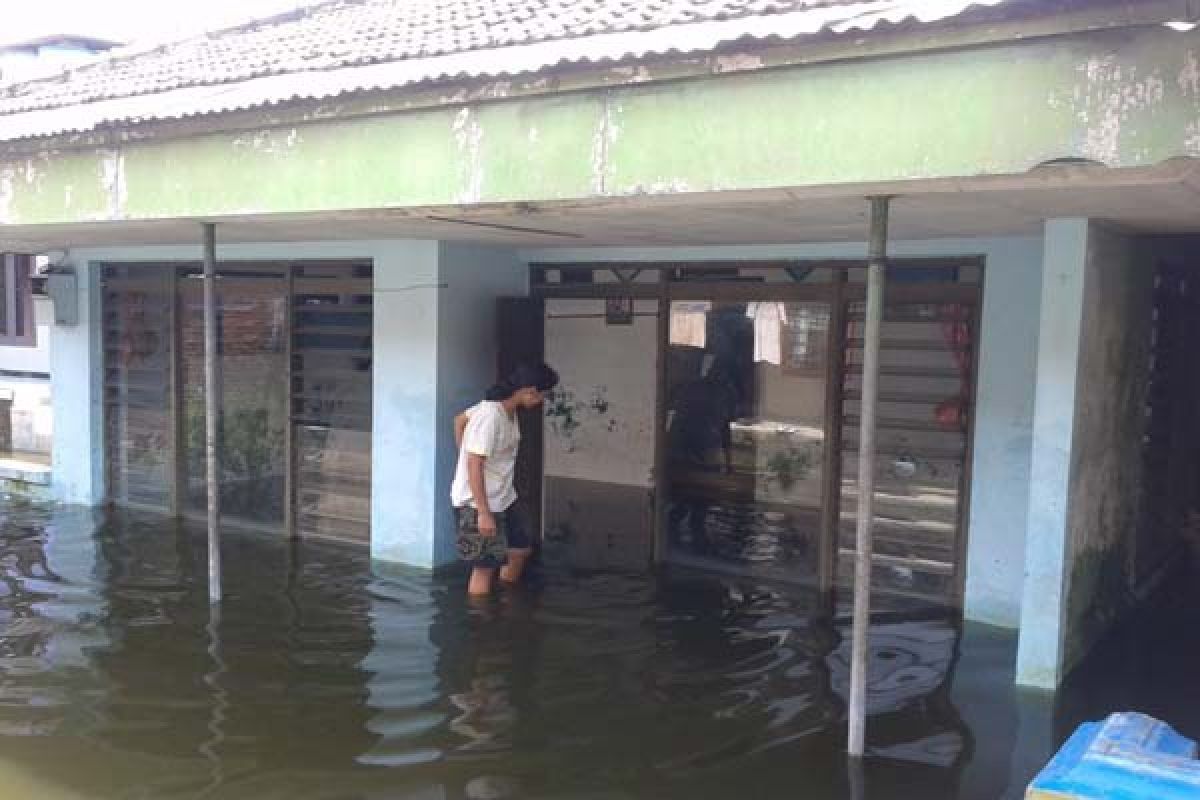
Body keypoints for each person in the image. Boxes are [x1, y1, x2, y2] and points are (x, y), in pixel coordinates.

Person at [451, 363, 559, 596]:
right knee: (484, 569)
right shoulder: (490, 416)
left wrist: (465, 454)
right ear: (529, 390)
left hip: (504, 497)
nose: (541, 401)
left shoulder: (504, 410)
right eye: (543, 394)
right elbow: (474, 462)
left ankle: (506, 598)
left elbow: (459, 420)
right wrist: (483, 512)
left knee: (520, 549)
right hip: (478, 503)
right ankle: (482, 622)